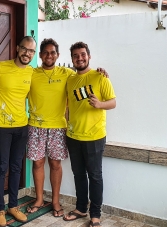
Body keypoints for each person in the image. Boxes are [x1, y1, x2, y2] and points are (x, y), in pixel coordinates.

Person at [26, 38, 109, 218]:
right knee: (38, 163)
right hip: (36, 126)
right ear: (40, 55)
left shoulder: (67, 74)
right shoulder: (31, 73)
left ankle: (55, 201)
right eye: (46, 52)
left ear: (58, 55)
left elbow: (84, 75)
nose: (49, 55)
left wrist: (100, 71)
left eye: (53, 52)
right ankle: (39, 199)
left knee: (56, 164)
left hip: (59, 127)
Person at [63, 41, 116, 227]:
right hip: (73, 136)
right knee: (78, 174)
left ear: (89, 56)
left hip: (94, 136)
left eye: (83, 54)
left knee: (94, 175)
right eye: (76, 56)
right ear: (72, 59)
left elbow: (113, 102)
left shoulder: (100, 77)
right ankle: (80, 208)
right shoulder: (70, 79)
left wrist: (100, 105)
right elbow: (68, 106)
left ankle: (95, 215)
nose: (80, 58)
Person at [0, 36, 36, 227]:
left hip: (21, 125)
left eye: (31, 51)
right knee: (2, 167)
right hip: (2, 126)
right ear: (17, 48)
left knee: (17, 167)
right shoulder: (1, 67)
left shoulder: (32, 73)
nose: (27, 53)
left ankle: (13, 206)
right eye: (25, 49)